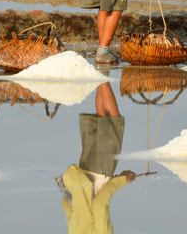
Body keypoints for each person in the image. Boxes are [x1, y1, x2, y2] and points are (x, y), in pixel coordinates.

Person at [57, 83, 136, 234]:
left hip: (99, 174)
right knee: (102, 119)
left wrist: (123, 179)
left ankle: (103, 75)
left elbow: (100, 203)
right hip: (82, 174)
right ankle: (100, 77)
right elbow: (67, 206)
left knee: (114, 121)